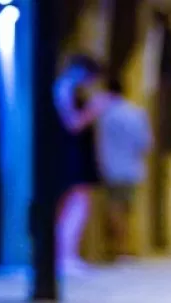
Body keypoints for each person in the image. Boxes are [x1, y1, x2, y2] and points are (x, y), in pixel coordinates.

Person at [53, 55, 108, 276]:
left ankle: (68, 256)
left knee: (78, 206)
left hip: (77, 153)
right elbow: (72, 124)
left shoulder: (69, 88)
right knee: (75, 206)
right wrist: (94, 110)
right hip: (70, 154)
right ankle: (64, 257)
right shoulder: (64, 88)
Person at [95, 77, 152, 262]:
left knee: (114, 207)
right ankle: (123, 247)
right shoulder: (135, 113)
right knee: (126, 208)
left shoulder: (104, 115)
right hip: (132, 168)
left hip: (110, 167)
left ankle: (119, 248)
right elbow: (145, 144)